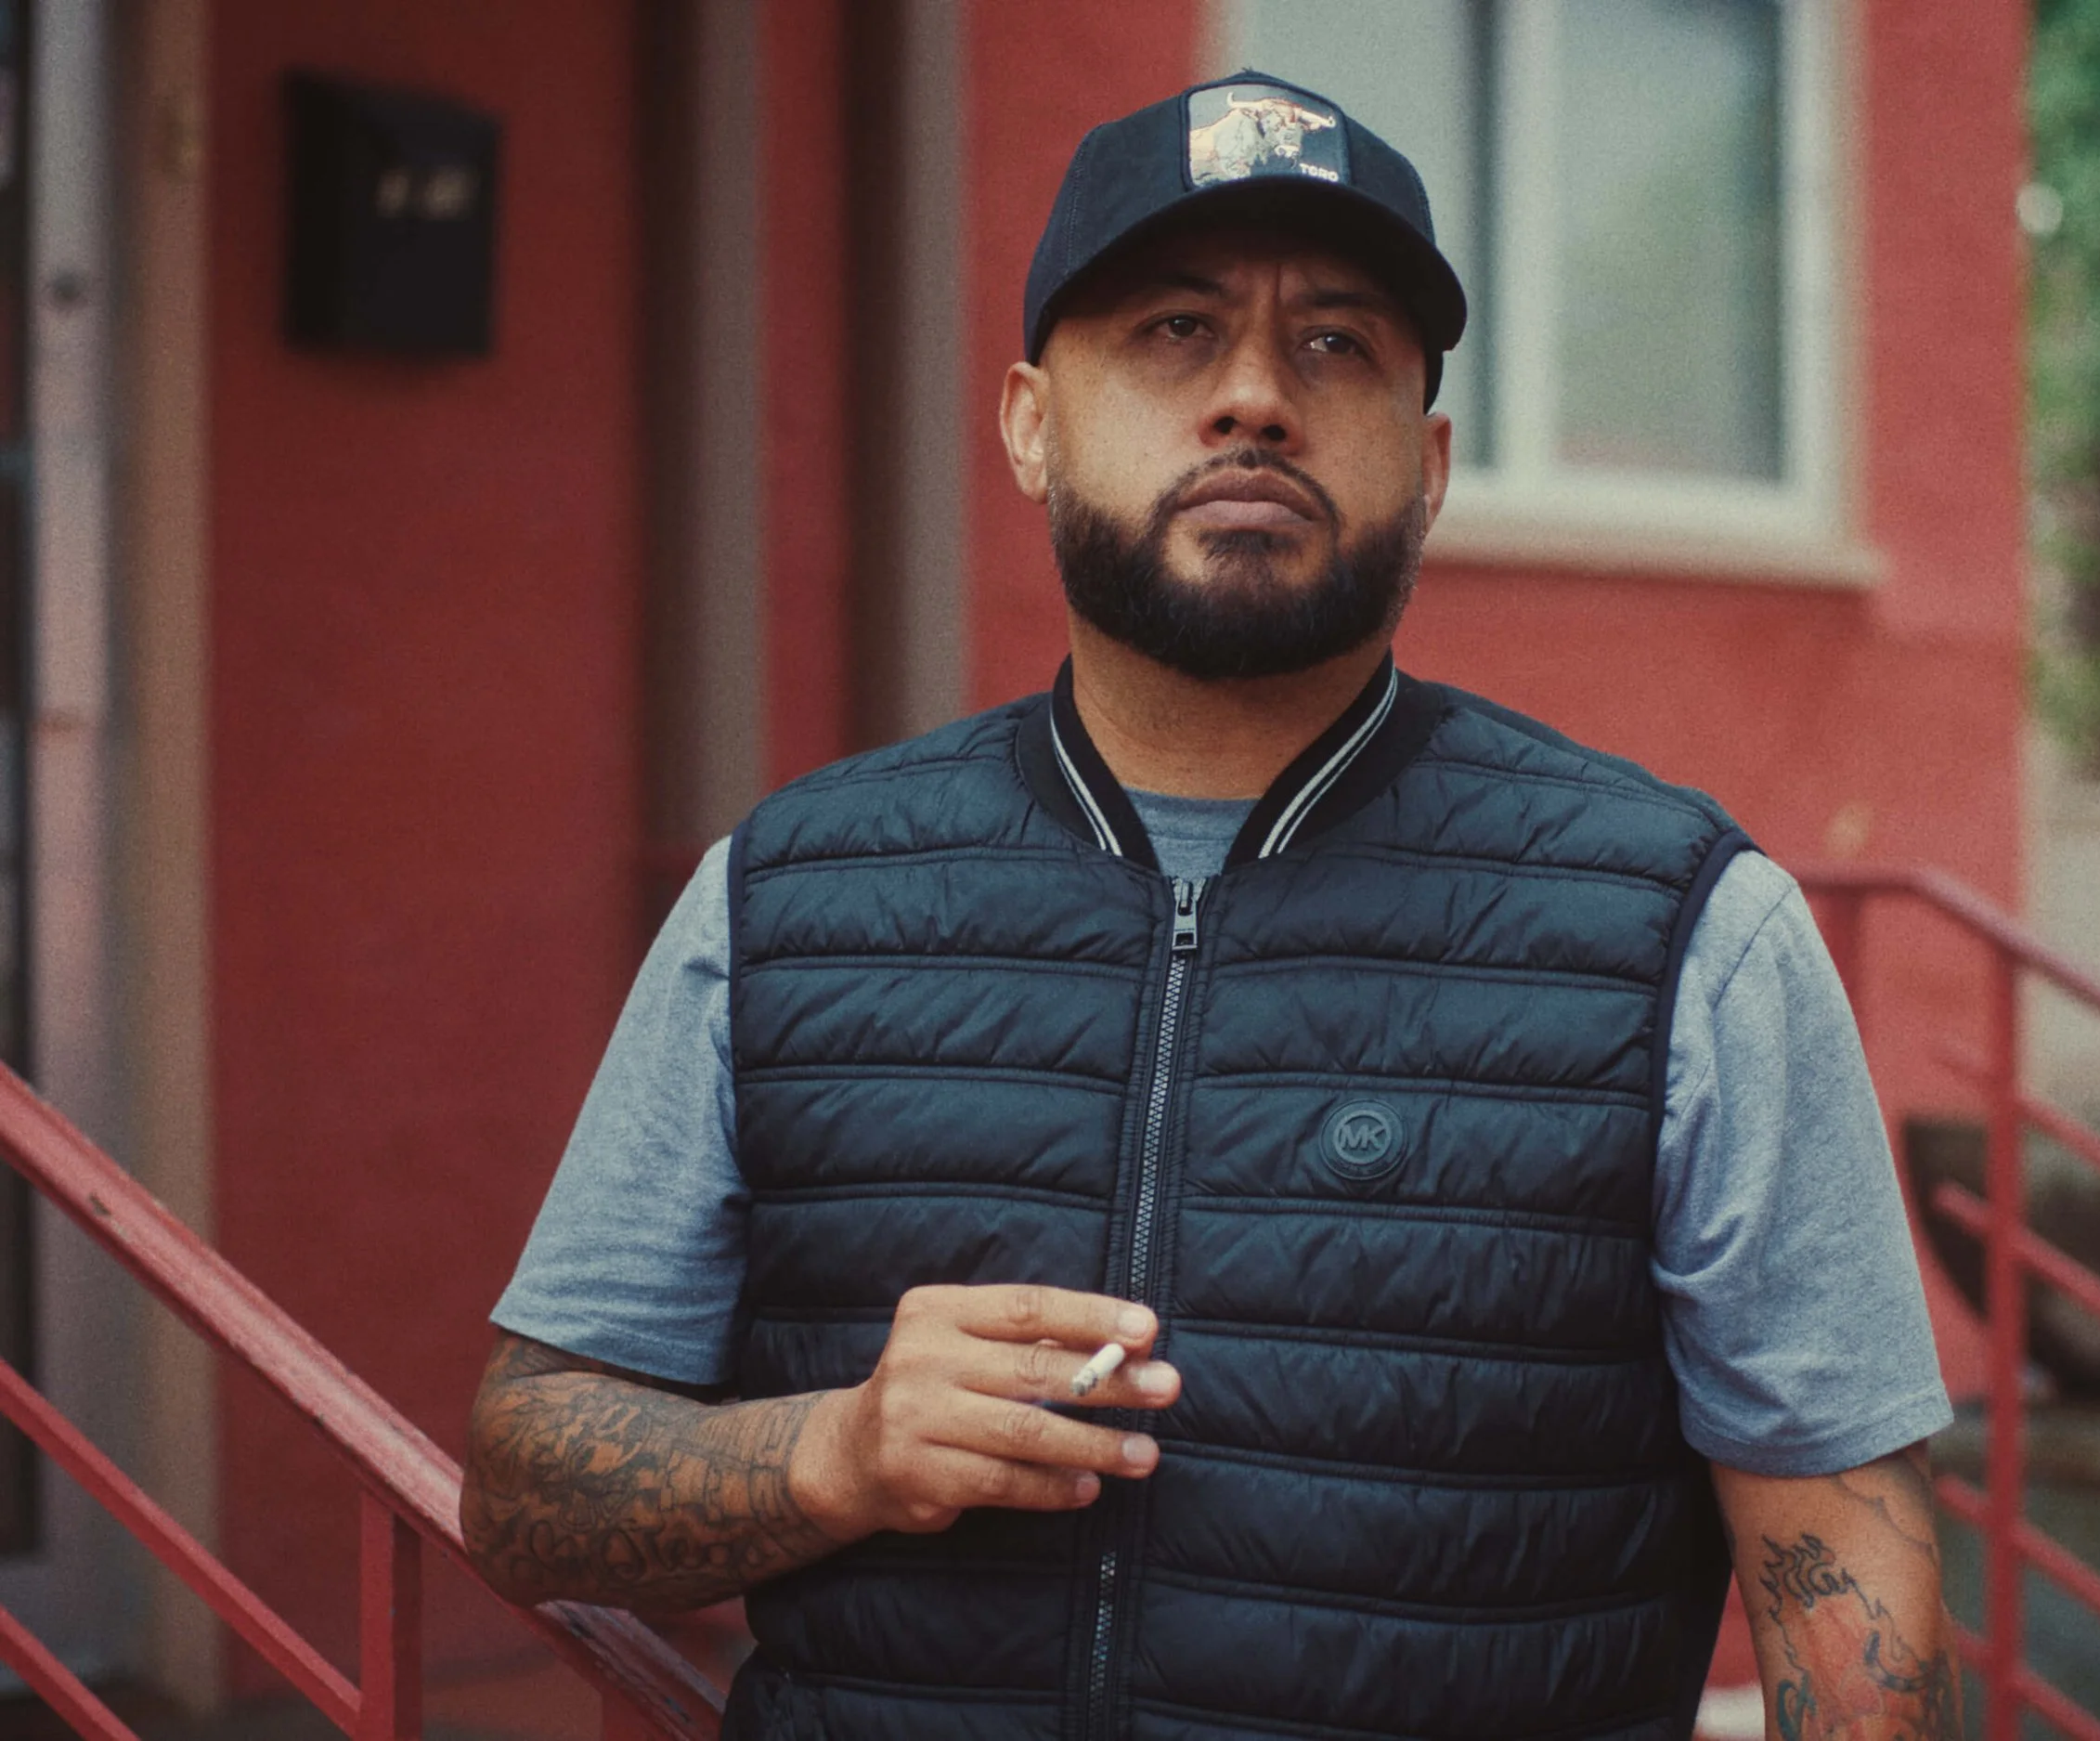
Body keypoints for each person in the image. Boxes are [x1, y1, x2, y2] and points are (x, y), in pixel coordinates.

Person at [461, 71, 1961, 1741]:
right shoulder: (783, 900)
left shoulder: (1683, 934)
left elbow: (1850, 1586)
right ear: (1031, 423)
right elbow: (524, 1486)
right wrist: (840, 1447)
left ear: (1431, 461)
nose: (1256, 395)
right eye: (1175, 330)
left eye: (1337, 344)